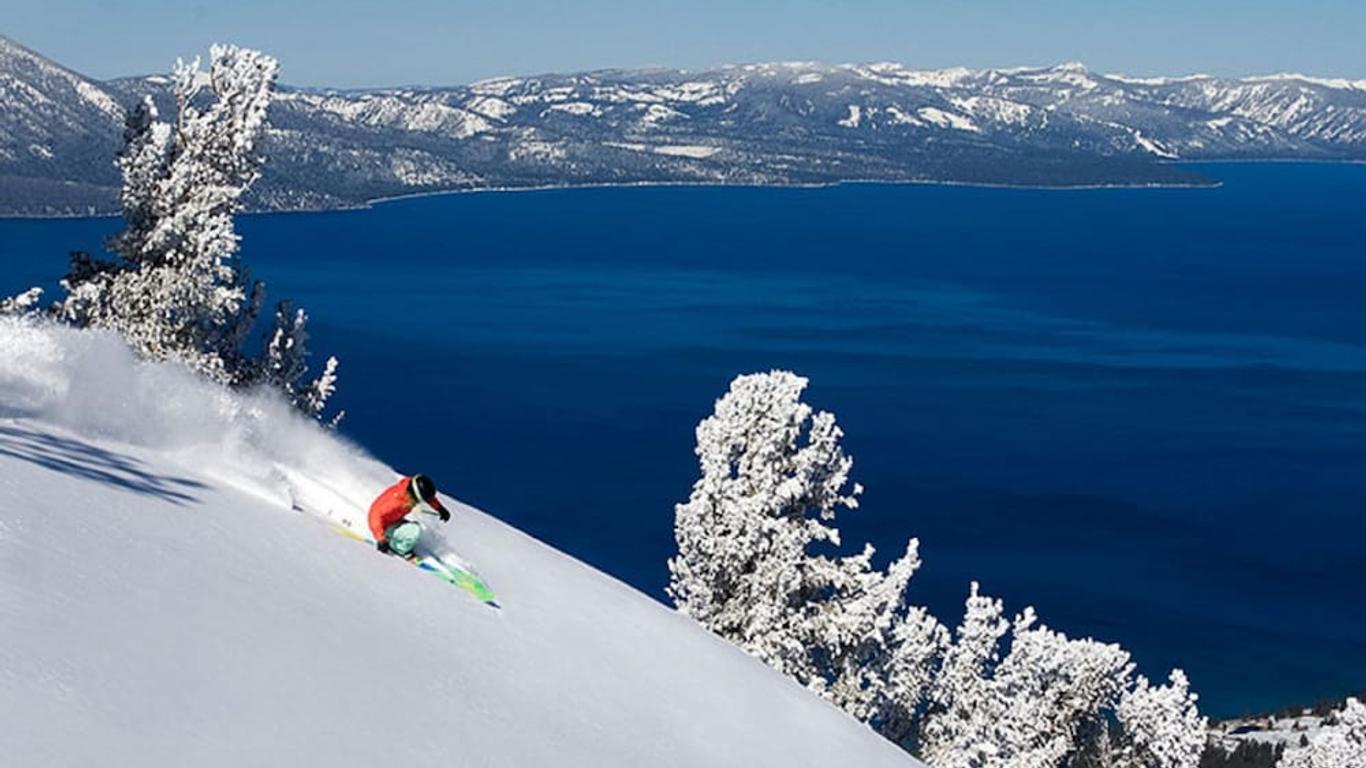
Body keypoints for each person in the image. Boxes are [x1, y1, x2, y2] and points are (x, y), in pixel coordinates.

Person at [368, 474, 451, 557]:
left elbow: (429, 498)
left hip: (393, 521)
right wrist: (381, 539)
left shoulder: (408, 491)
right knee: (414, 529)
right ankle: (398, 548)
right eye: (417, 500)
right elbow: (374, 515)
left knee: (413, 527)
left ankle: (397, 540)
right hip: (383, 528)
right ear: (413, 495)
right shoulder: (395, 502)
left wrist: (440, 508)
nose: (417, 503)